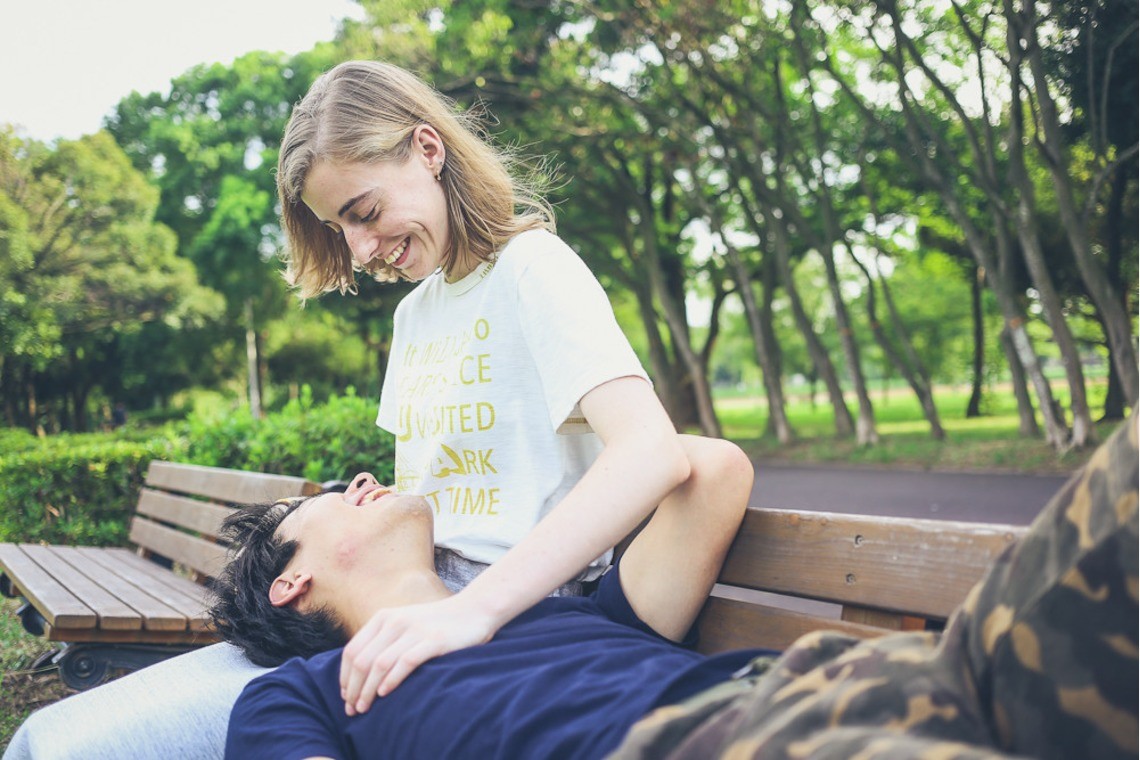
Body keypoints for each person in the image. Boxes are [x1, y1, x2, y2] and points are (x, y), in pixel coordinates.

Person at [217, 415, 1137, 760]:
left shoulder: (560, 610)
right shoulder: (300, 698)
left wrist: (483, 604)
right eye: (334, 499)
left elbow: (708, 468)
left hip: (897, 678)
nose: (362, 482)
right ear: (291, 584)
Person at [274, 58, 717, 715]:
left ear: (427, 149)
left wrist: (471, 614)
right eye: (341, 230)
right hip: (423, 616)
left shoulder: (532, 268)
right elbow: (428, 497)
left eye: (364, 212)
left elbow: (650, 450)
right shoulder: (413, 314)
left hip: (517, 628)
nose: (361, 250)